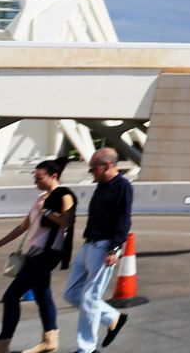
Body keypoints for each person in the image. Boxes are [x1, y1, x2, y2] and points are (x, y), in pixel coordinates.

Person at [0, 159, 76, 353]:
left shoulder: (64, 195)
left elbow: (67, 221)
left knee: (11, 296)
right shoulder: (40, 198)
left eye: (39, 177)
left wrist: (47, 212)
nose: (35, 182)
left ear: (53, 176)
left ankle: (1, 346)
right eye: (35, 177)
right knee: (42, 295)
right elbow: (23, 227)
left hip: (47, 254)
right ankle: (50, 340)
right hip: (34, 253)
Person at [63, 148, 133, 353]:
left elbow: (124, 219)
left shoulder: (123, 186)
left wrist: (115, 248)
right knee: (71, 294)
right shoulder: (102, 185)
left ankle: (86, 349)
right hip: (89, 244)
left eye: (93, 168)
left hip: (105, 247)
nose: (91, 172)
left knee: (90, 297)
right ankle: (113, 318)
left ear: (107, 165)